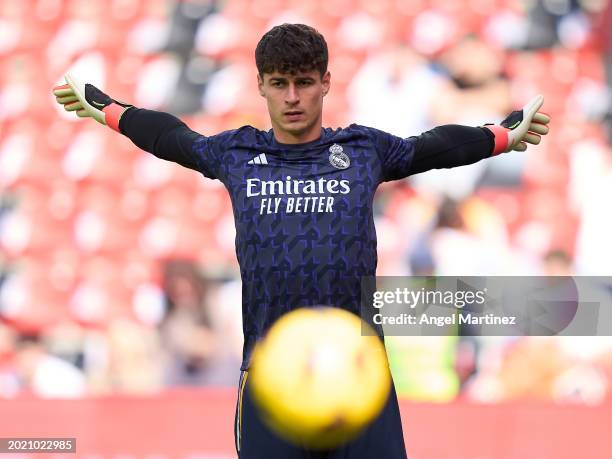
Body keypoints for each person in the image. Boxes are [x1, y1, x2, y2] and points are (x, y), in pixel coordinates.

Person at [53, 23, 550, 459]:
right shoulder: (238, 153)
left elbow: (433, 148)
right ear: (262, 87)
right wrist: (108, 109)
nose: (292, 97)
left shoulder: (361, 150)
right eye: (279, 84)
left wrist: (500, 136)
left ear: (325, 83)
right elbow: (172, 137)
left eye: (304, 83)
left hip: (360, 374)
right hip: (272, 376)